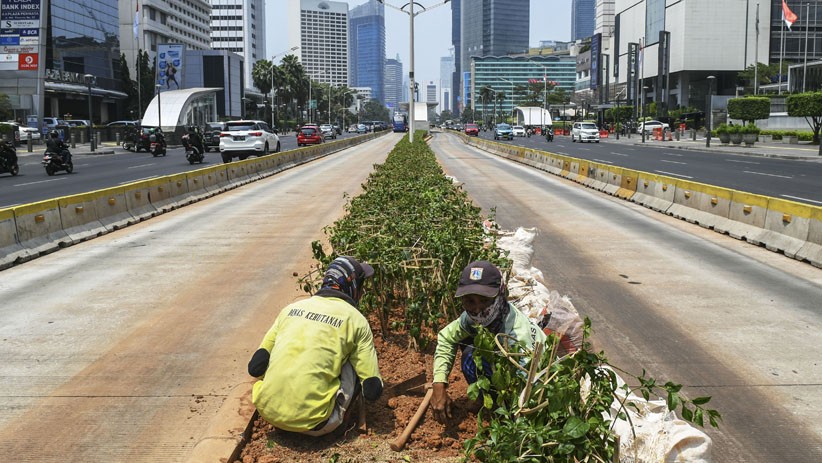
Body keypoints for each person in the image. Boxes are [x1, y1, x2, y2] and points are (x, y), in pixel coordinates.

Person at [248, 256, 383, 436]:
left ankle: (282, 401)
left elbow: (255, 366)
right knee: (353, 358)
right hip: (316, 423)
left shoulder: (290, 309)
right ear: (353, 286)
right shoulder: (355, 320)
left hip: (269, 414)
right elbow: (373, 390)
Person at [431, 261, 546, 423]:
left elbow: (530, 385)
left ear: (501, 294)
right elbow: (446, 338)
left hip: (533, 379)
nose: (477, 310)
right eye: (470, 301)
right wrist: (439, 383)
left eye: (485, 301)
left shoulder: (516, 335)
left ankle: (504, 411)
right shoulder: (471, 318)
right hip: (502, 370)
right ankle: (485, 398)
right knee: (469, 351)